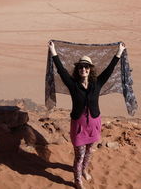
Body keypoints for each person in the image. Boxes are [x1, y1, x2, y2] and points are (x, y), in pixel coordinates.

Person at [48, 41, 126, 189]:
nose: (83, 69)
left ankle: (84, 170)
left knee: (89, 153)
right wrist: (53, 51)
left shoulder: (97, 84)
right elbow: (61, 70)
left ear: (90, 70)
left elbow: (109, 70)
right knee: (79, 156)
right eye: (81, 67)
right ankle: (77, 181)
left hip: (94, 125)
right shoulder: (73, 85)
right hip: (79, 127)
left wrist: (119, 52)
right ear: (78, 70)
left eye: (86, 67)